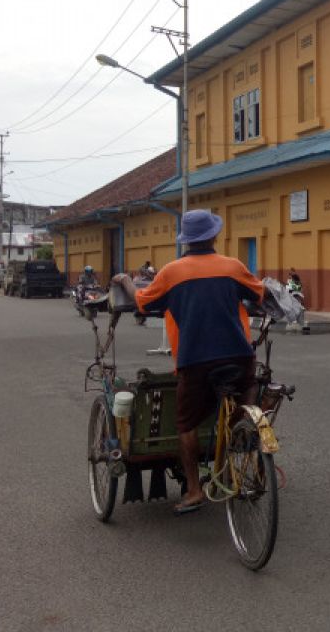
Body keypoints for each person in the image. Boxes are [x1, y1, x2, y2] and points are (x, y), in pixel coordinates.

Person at [112, 209, 264, 515]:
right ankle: (243, 426)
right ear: (214, 236)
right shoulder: (232, 266)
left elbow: (142, 302)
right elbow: (258, 294)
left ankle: (194, 490)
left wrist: (127, 281)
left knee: (186, 423)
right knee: (251, 385)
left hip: (196, 360)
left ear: (186, 241)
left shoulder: (171, 272)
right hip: (238, 354)